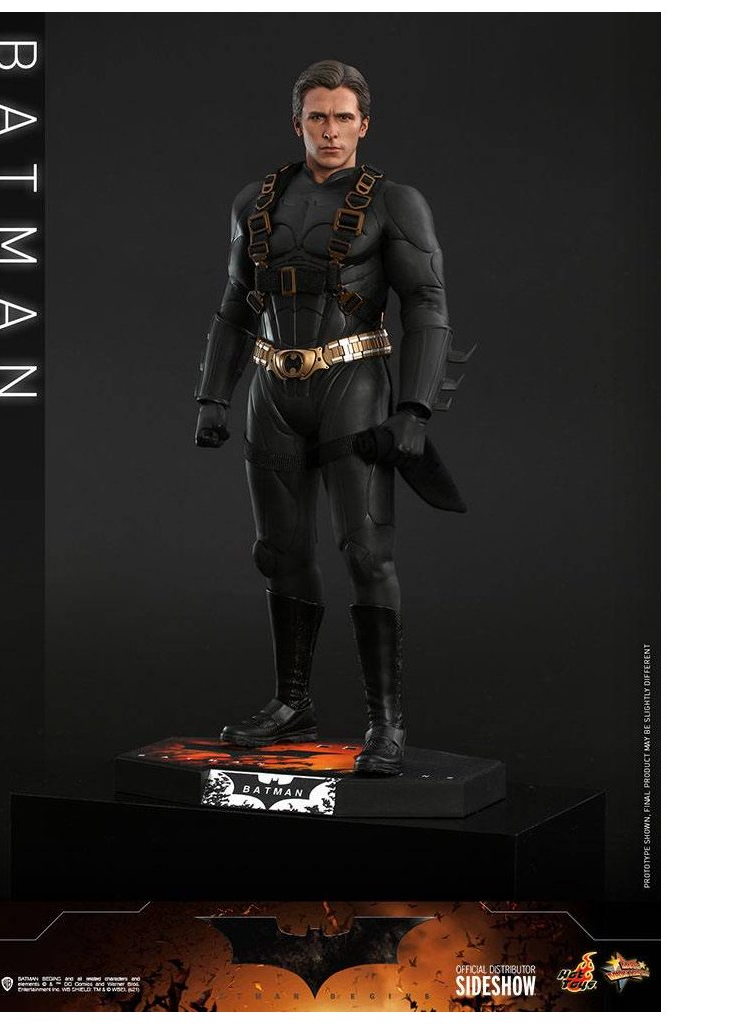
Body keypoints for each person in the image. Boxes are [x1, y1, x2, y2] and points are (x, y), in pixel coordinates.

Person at [194, 59, 467, 775]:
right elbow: (234, 305)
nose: (331, 130)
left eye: (344, 116)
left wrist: (414, 407)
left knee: (367, 555)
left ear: (364, 124)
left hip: (355, 383)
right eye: (318, 116)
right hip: (272, 389)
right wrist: (213, 395)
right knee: (278, 552)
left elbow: (427, 304)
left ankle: (386, 722)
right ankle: (292, 703)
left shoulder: (395, 203)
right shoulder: (254, 202)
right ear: (298, 123)